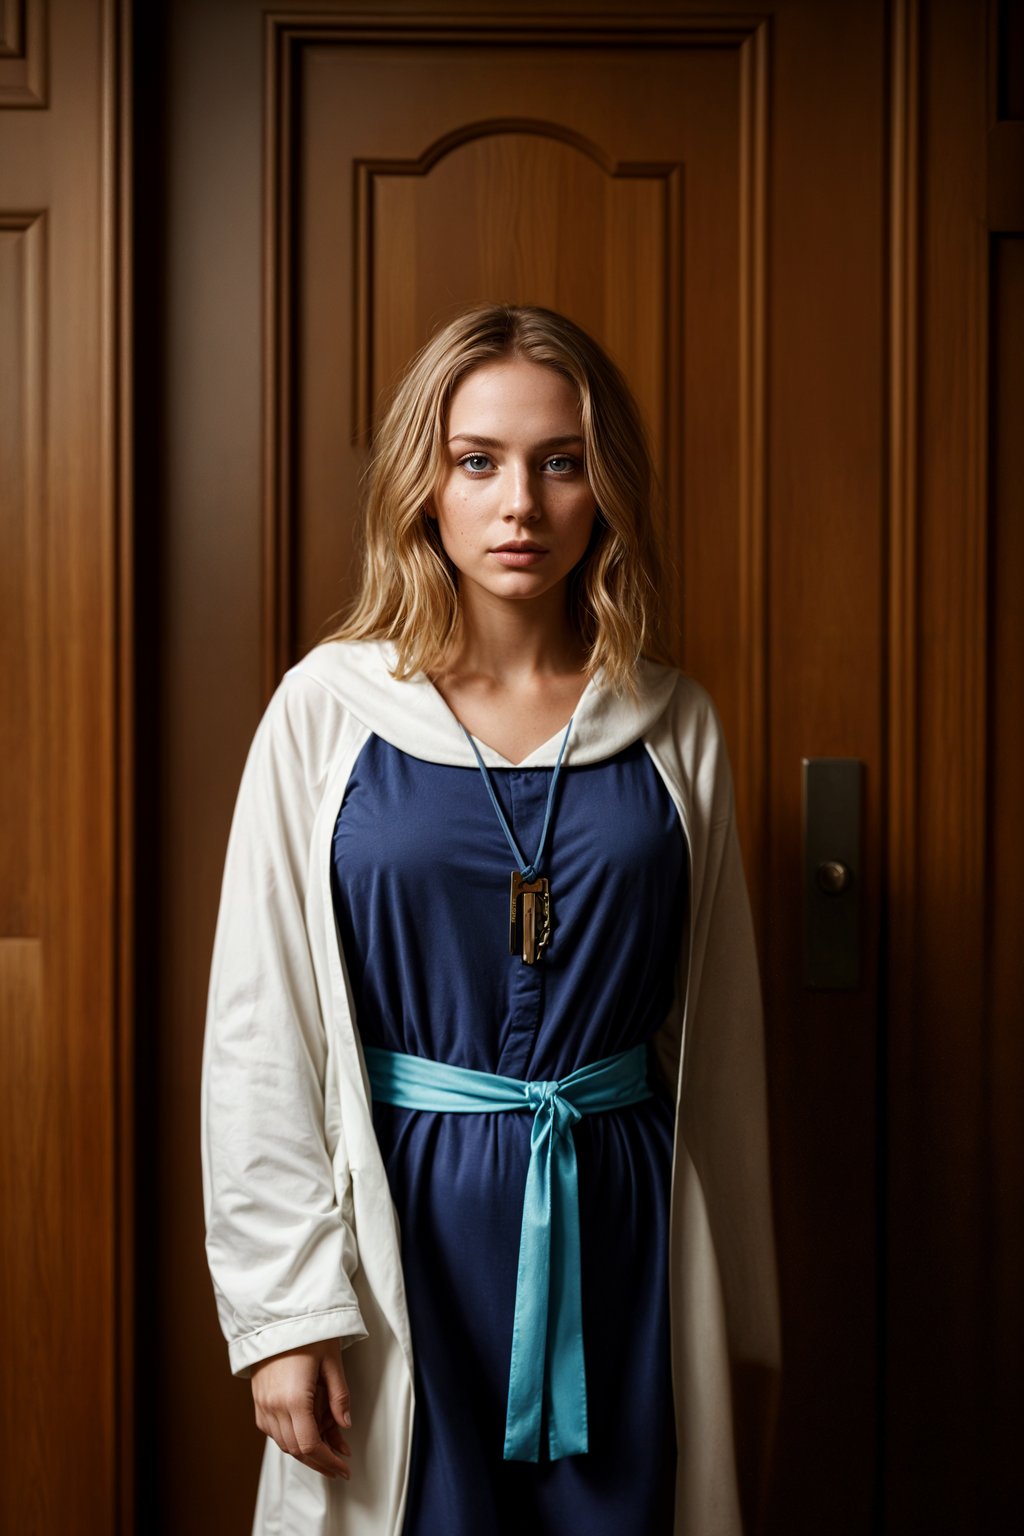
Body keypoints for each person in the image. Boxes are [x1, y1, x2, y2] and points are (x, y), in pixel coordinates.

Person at [201, 303, 780, 1536]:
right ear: (427, 482)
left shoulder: (674, 723)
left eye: (559, 461)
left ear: (602, 485)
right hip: (404, 1231)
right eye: (478, 461)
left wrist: (738, 1319)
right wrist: (286, 1315)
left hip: (621, 1234)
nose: (519, 503)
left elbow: (719, 1042)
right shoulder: (327, 710)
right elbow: (262, 1031)